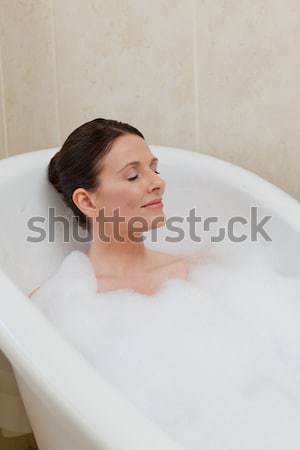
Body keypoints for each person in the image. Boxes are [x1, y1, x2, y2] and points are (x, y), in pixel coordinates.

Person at [29, 117, 201, 298]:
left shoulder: (191, 273)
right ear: (87, 202)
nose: (159, 182)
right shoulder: (58, 300)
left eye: (154, 170)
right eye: (133, 176)